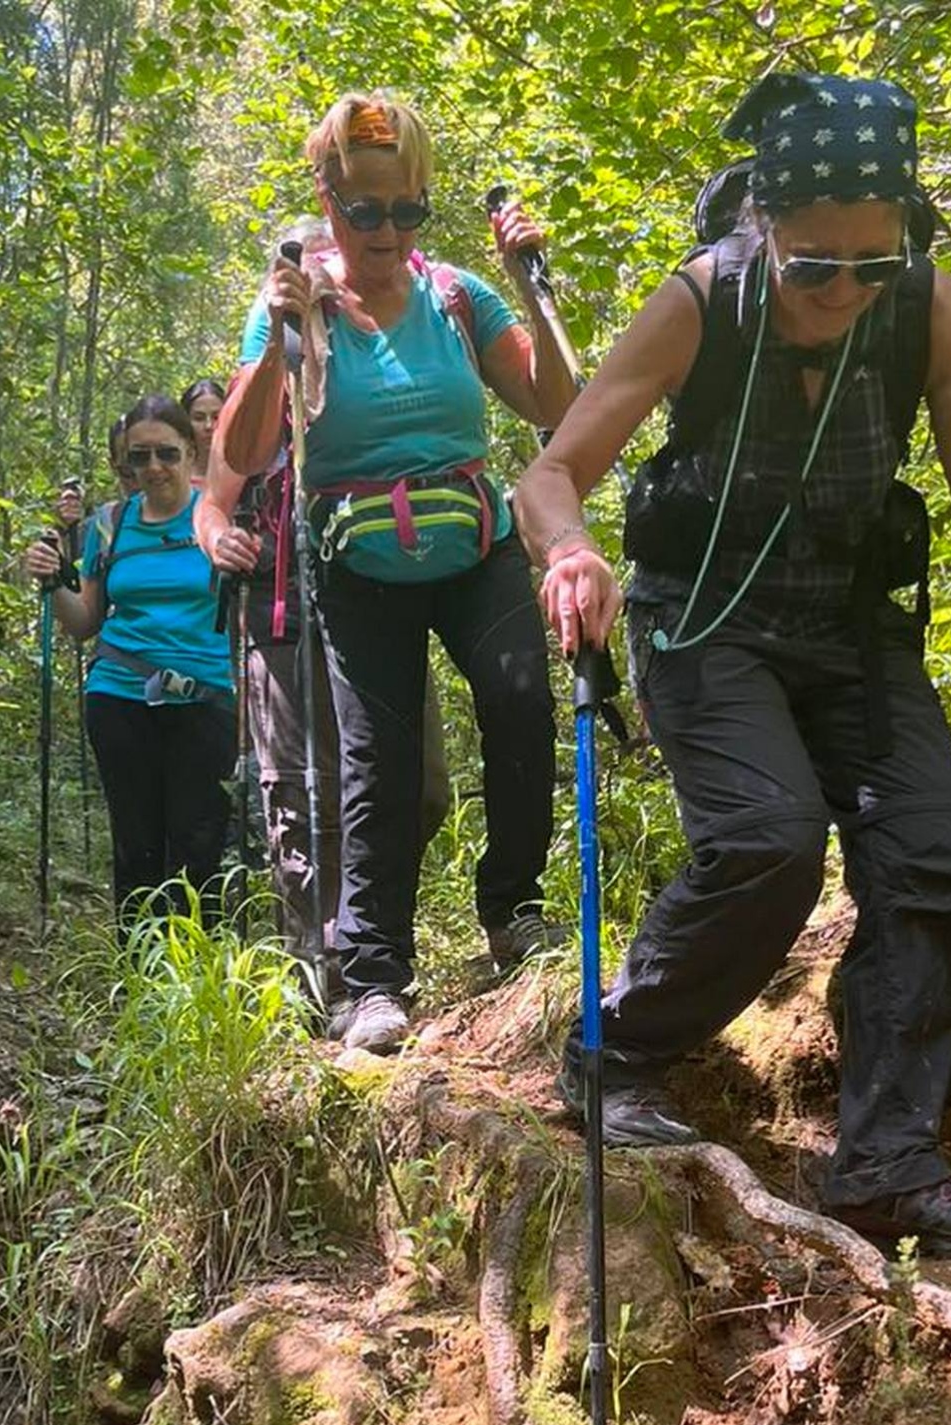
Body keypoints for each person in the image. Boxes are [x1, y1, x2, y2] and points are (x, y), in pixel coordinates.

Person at [513, 72, 951, 1260]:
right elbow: (549, 476)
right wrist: (571, 553)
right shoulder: (701, 303)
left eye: (871, 265)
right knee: (769, 840)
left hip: (852, 629)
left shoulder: (928, 310)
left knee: (930, 852)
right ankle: (614, 1051)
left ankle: (887, 1161)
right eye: (815, 264)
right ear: (765, 229)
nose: (844, 289)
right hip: (705, 621)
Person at [213, 91, 575, 1054]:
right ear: (326, 197)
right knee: (377, 753)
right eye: (363, 209)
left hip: (474, 539)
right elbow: (242, 456)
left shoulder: (459, 295)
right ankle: (373, 979)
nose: (384, 229)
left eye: (405, 209)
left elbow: (555, 402)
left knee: (519, 698)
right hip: (357, 555)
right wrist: (282, 341)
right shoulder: (293, 305)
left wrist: (532, 286)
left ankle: (514, 913)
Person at [200, 222, 453, 991]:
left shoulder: (379, 367)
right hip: (284, 615)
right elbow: (213, 501)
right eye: (295, 262)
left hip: (382, 603)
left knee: (421, 786)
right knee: (304, 800)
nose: (313, 272)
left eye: (322, 258)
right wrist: (218, 541)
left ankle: (375, 938)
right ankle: (330, 974)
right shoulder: (258, 377)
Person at [23, 393, 234, 933]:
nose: (154, 467)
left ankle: (197, 978)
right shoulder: (110, 524)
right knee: (135, 844)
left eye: (165, 453)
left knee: (199, 839)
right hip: (118, 696)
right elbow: (86, 620)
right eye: (139, 458)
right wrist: (52, 584)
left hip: (206, 696)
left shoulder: (218, 513)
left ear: (190, 449)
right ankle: (138, 976)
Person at [181, 377, 225, 477]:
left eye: (216, 417)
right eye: (199, 418)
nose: (208, 426)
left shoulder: (243, 473)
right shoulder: (175, 474)